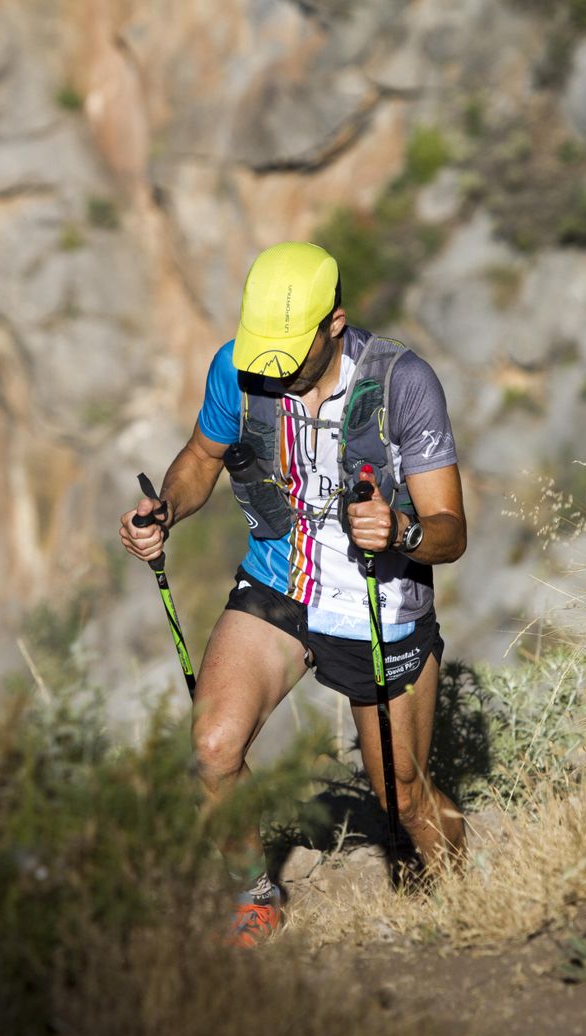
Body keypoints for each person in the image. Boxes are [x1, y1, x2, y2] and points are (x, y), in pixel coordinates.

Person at [119, 241, 467, 945]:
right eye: (262, 348)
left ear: (334, 323)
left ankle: (465, 908)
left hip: (382, 602)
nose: (271, 369)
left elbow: (450, 532)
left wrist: (399, 530)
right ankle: (255, 895)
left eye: (290, 351)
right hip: (278, 586)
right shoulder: (236, 367)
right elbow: (200, 459)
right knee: (213, 747)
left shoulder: (403, 383)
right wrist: (167, 513)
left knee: (400, 793)